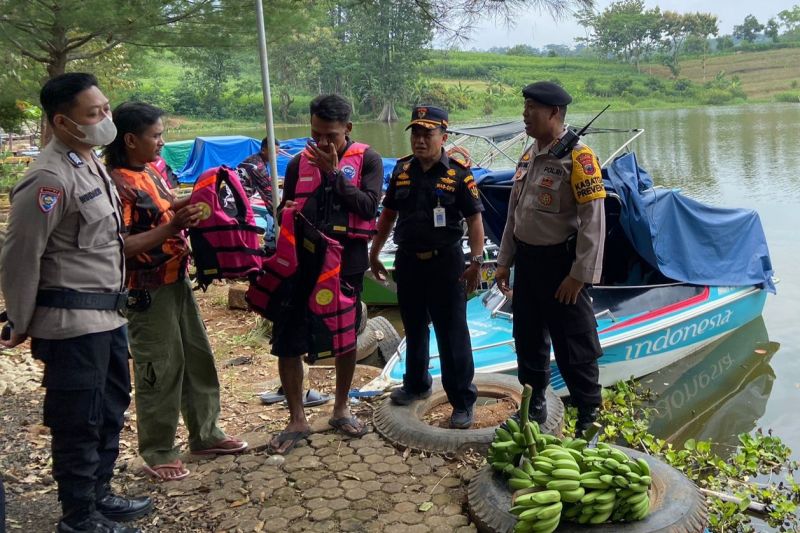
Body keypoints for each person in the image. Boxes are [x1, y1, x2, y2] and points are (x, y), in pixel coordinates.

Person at [0, 73, 151, 533]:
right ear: (63, 122)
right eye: (93, 113)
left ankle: (99, 494)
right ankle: (79, 515)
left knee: (110, 408)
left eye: (105, 108)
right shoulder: (48, 179)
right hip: (71, 323)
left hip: (107, 315)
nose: (105, 118)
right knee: (78, 420)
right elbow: (20, 255)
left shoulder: (88, 162)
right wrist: (19, 320)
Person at [104, 102, 248, 481]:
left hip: (177, 280)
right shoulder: (116, 185)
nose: (162, 142)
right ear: (130, 139)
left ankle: (206, 434)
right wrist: (171, 228)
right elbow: (120, 247)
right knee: (159, 368)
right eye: (156, 135)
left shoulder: (150, 172)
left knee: (198, 359)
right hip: (146, 290)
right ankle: (158, 450)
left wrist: (198, 201)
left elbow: (166, 209)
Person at [268, 94, 382, 454]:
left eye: (330, 135)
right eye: (315, 133)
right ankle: (296, 418)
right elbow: (282, 209)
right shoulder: (296, 163)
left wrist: (334, 173)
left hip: (346, 261)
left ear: (347, 128)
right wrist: (284, 210)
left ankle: (341, 408)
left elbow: (368, 206)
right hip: (301, 260)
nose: (321, 142)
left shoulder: (369, 160)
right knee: (288, 336)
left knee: (345, 335)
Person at [494, 81, 606, 437]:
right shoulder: (530, 155)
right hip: (528, 265)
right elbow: (515, 215)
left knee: (575, 344)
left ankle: (589, 417)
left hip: (562, 268)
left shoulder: (579, 158)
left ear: (554, 112)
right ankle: (535, 405)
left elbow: (594, 221)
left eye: (532, 108)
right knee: (528, 339)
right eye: (525, 107)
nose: (525, 114)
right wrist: (504, 261)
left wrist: (579, 275)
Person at [370, 105, 484, 429]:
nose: (420, 140)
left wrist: (476, 262)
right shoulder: (402, 170)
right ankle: (417, 384)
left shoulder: (458, 175)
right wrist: (374, 252)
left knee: (452, 333)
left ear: (443, 137)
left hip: (446, 264)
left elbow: (475, 221)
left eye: (427, 134)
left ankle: (462, 400)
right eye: (416, 134)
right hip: (408, 261)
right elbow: (388, 215)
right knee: (414, 326)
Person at [237, 136, 281, 211]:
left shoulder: (253, 158)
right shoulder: (258, 167)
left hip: (235, 197)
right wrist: (281, 214)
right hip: (232, 201)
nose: (276, 155)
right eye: (274, 152)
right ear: (263, 150)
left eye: (278, 152)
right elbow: (269, 196)